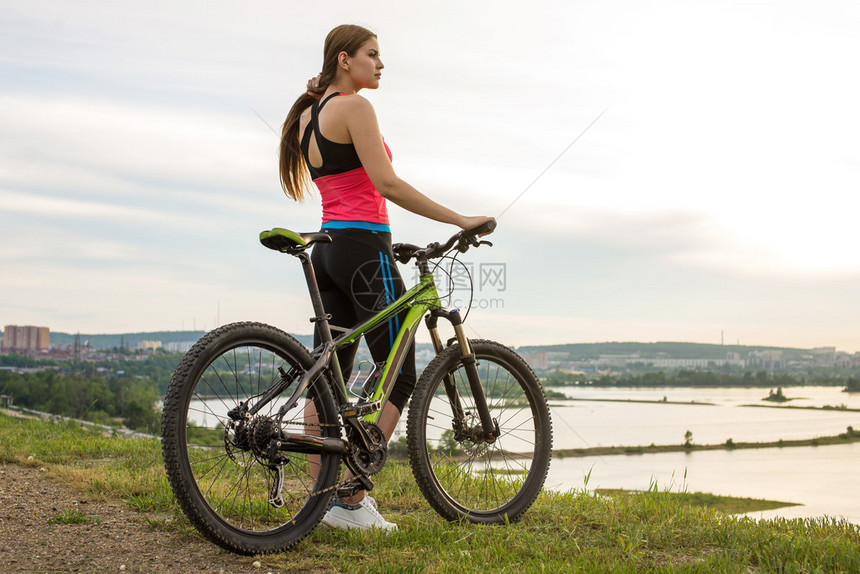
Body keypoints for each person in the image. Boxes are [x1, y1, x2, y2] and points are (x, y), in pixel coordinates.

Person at [278, 24, 494, 531]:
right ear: (344, 59)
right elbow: (386, 183)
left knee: (326, 380)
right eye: (373, 55)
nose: (380, 64)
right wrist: (460, 219)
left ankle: (324, 503)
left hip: (329, 249)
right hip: (362, 247)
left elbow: (347, 183)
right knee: (400, 376)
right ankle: (349, 502)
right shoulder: (355, 107)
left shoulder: (308, 116)